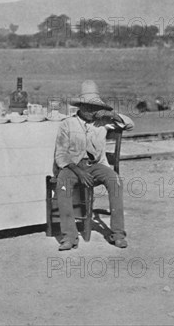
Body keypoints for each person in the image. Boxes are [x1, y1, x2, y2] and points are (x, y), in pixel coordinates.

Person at [53, 80, 134, 251]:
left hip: (96, 165)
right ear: (80, 106)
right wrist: (78, 172)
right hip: (72, 167)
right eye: (88, 107)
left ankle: (118, 234)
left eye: (95, 107)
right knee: (62, 184)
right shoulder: (67, 123)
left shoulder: (103, 122)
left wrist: (112, 116)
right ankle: (69, 237)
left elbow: (129, 125)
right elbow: (61, 154)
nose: (91, 111)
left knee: (114, 180)